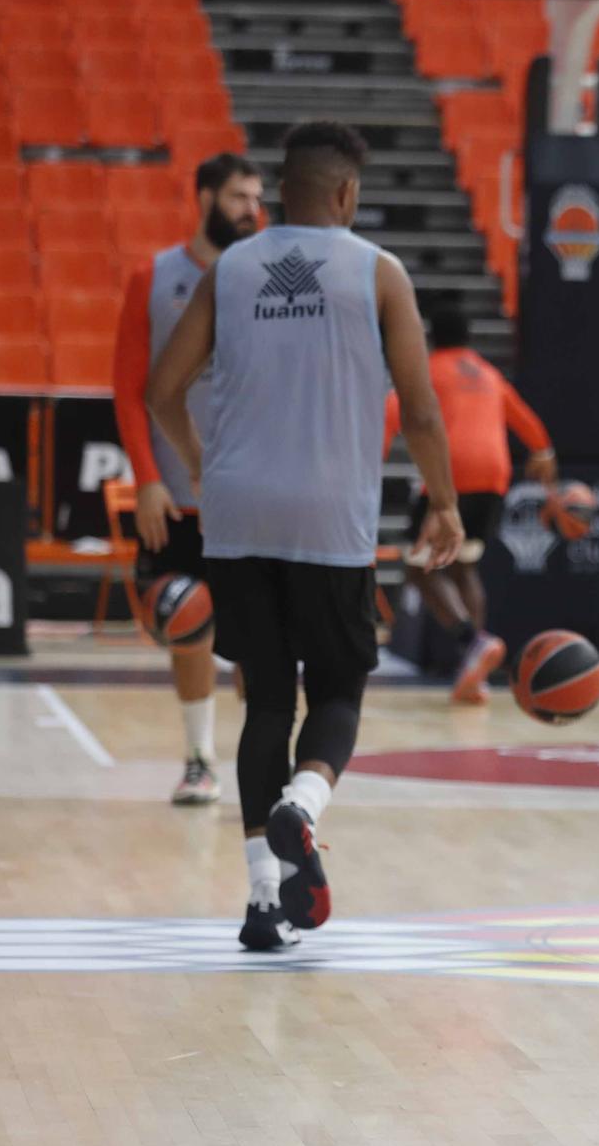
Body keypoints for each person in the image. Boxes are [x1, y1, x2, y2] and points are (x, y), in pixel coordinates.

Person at [148, 121, 464, 953]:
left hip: (239, 512)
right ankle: (306, 804)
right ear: (347, 195)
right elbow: (423, 410)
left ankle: (261, 901)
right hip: (330, 518)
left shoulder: (230, 268)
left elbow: (161, 389)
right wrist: (446, 504)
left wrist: (201, 461)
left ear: (279, 191)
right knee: (339, 692)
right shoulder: (378, 273)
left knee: (264, 700)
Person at [111, 152, 264, 805]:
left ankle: (264, 763)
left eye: (256, 197)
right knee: (190, 626)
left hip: (251, 493)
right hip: (178, 495)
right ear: (203, 197)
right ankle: (200, 758)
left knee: (262, 640)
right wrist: (147, 477)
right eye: (237, 196)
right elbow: (128, 389)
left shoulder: (266, 281)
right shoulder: (154, 276)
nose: (251, 209)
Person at [383, 308, 558, 703]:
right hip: (494, 474)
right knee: (464, 566)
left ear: (430, 337)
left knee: (419, 570)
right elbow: (526, 420)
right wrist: (544, 450)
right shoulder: (488, 373)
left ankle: (472, 640)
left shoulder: (429, 369)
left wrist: (370, 461)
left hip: (451, 474)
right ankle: (474, 674)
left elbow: (391, 413)